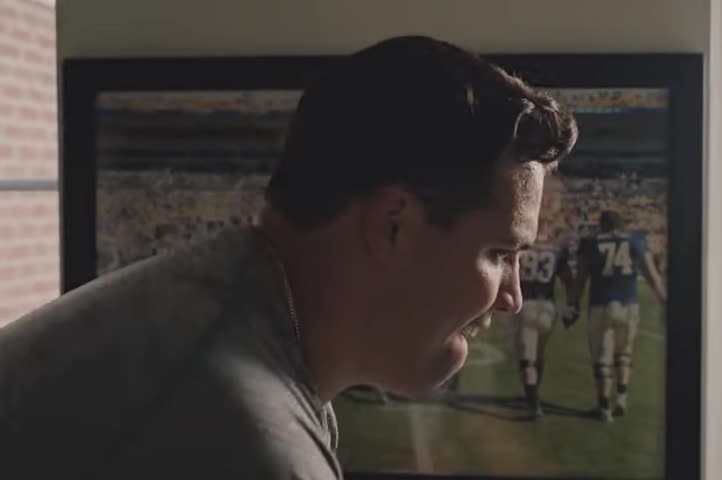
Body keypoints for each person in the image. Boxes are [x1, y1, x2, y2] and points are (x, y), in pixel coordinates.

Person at [0, 35, 577, 479]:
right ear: (393, 225)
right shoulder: (244, 442)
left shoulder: (208, 304)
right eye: (499, 253)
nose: (512, 297)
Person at [567, 210, 665, 423]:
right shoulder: (636, 241)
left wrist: (572, 304)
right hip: (629, 305)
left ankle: (604, 408)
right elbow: (653, 277)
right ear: (621, 224)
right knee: (624, 353)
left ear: (601, 225)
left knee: (603, 357)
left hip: (601, 305)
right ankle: (621, 398)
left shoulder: (591, 243)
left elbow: (580, 279)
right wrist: (664, 302)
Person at [512, 225, 576, 418]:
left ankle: (533, 403)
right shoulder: (556, 250)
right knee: (539, 355)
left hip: (526, 307)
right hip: (548, 308)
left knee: (527, 360)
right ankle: (534, 392)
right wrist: (571, 305)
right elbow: (568, 280)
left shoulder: (521, 248)